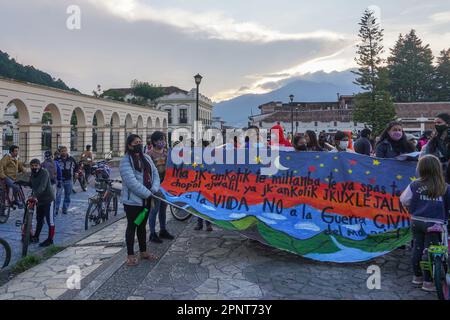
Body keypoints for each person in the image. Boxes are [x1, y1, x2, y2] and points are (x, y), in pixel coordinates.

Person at [400, 155, 450, 292]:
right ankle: (428, 282)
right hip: (435, 224)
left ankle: (417, 276)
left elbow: (404, 200)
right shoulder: (445, 187)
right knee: (430, 251)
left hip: (416, 220)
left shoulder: (415, 184)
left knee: (417, 247)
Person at [120, 134, 160, 266]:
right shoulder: (126, 161)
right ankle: (130, 255)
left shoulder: (146, 158)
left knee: (142, 226)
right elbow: (131, 182)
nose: (139, 144)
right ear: (130, 145)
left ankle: (143, 251)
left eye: (140, 141)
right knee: (132, 226)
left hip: (147, 201)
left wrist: (153, 190)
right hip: (133, 202)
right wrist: (147, 194)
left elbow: (155, 175)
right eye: (136, 142)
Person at [148, 131, 174, 243]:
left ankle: (163, 230)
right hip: (155, 185)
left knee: (163, 208)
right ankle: (152, 233)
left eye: (164, 140)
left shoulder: (167, 153)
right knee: (154, 210)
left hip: (166, 185)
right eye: (160, 140)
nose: (163, 142)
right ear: (154, 141)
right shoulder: (149, 154)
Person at [28, 159, 56, 247]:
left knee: (50, 221)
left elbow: (42, 186)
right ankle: (36, 236)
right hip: (39, 200)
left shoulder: (44, 172)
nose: (34, 167)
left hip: (48, 199)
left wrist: (34, 196)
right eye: (32, 166)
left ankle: (50, 240)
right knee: (39, 219)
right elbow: (31, 184)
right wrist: (21, 182)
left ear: (40, 165)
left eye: (36, 165)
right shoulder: (33, 174)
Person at [422, 113, 450, 183]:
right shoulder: (433, 139)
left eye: (439, 122)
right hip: (435, 175)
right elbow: (426, 155)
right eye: (435, 123)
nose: (436, 125)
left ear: (447, 124)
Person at [55, 146, 78, 215]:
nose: (64, 152)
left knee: (67, 195)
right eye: (62, 151)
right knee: (58, 195)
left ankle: (65, 208)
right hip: (60, 180)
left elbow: (76, 167)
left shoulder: (71, 159)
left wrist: (76, 172)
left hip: (69, 179)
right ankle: (56, 209)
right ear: (60, 152)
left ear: (67, 151)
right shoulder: (56, 159)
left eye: (65, 151)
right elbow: (53, 167)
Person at [41, 150, 62, 217]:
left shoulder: (42, 164)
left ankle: (45, 212)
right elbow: (59, 172)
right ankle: (52, 212)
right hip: (52, 183)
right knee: (53, 198)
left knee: (44, 198)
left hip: (45, 184)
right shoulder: (55, 163)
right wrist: (59, 181)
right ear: (52, 156)